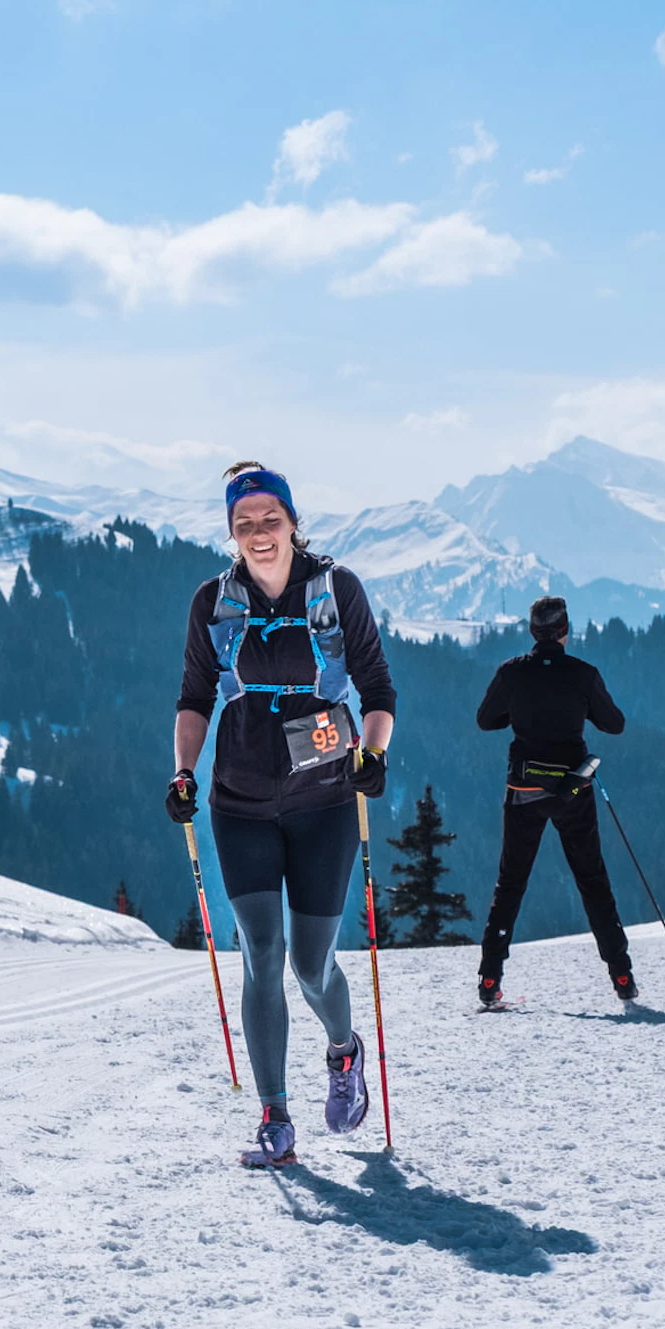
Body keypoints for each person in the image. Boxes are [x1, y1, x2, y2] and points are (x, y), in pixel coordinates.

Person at [167, 462, 398, 1169]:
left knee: (309, 963)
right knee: (261, 954)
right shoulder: (214, 599)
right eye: (245, 524)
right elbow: (195, 694)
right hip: (238, 801)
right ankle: (275, 1117)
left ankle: (342, 1050)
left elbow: (378, 685)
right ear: (230, 533)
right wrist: (182, 769)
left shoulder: (335, 590)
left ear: (294, 521)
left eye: (271, 519)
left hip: (325, 799)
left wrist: (375, 752)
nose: (260, 534)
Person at [473, 595, 636, 1007]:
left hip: (524, 789)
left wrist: (521, 711)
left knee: (510, 882)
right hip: (572, 791)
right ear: (566, 630)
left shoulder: (513, 673)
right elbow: (614, 725)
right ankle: (621, 975)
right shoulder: (583, 674)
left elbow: (486, 720)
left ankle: (490, 979)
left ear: (532, 631)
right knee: (592, 881)